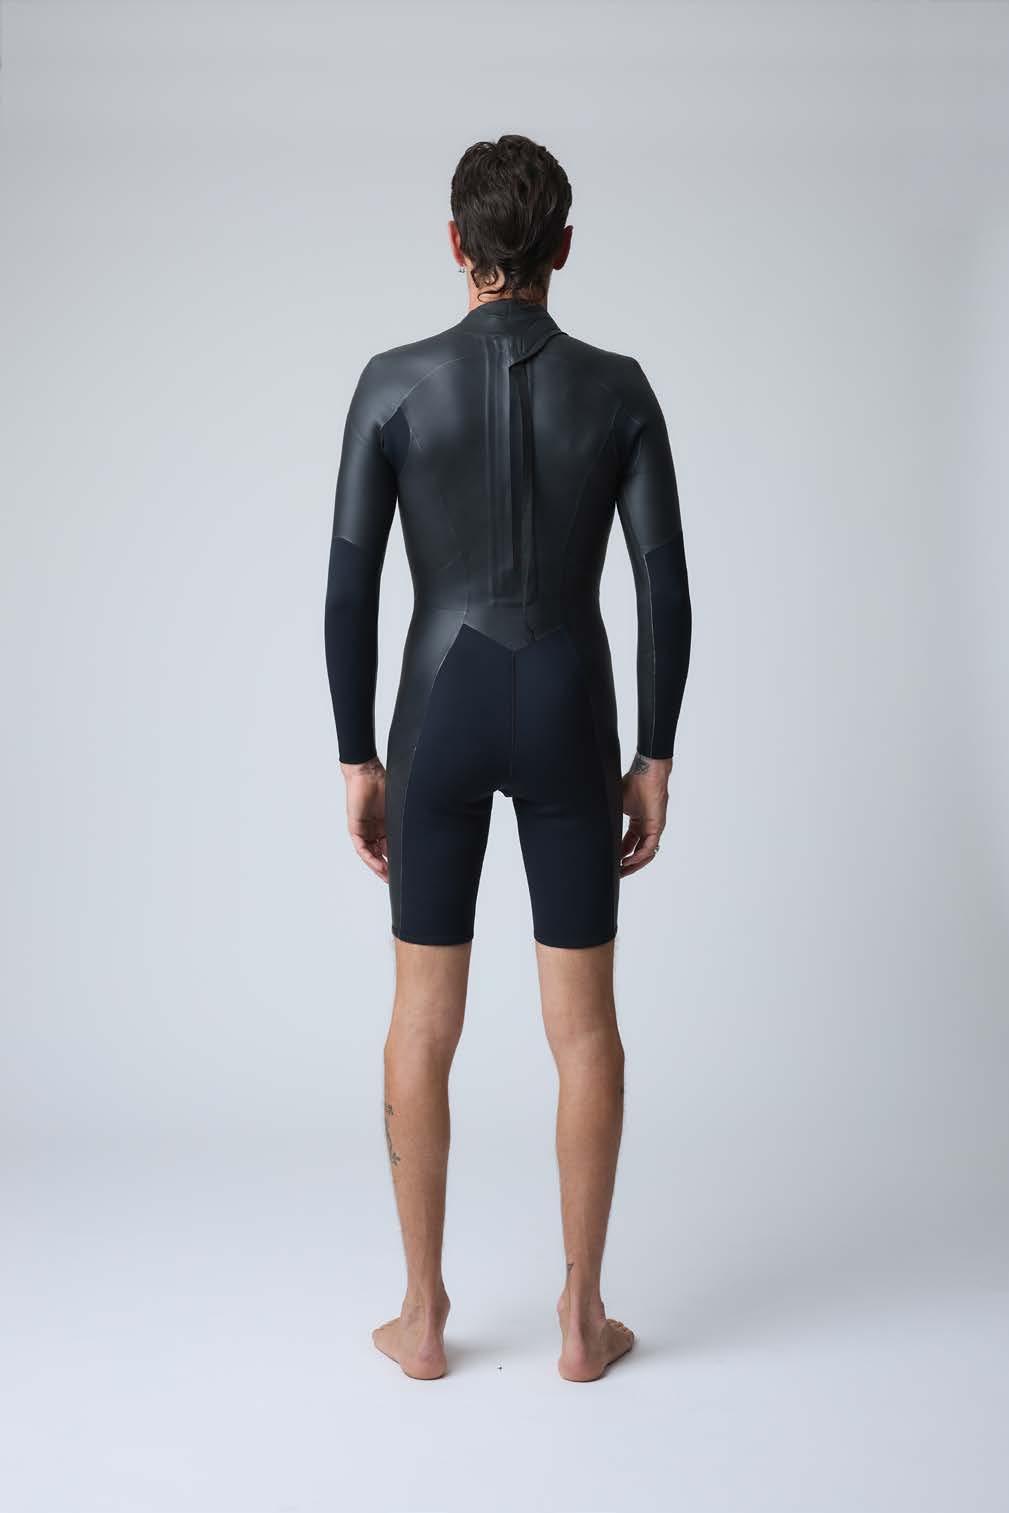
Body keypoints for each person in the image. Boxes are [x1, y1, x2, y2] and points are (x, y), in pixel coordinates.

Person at [324, 135, 691, 1382]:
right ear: (564, 249)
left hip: (438, 708)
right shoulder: (620, 390)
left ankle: (422, 1315)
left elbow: (348, 589)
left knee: (421, 1021)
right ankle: (582, 1318)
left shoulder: (391, 384)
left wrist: (357, 756)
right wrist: (653, 753)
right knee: (583, 1029)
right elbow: (662, 587)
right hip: (570, 706)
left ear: (455, 244)